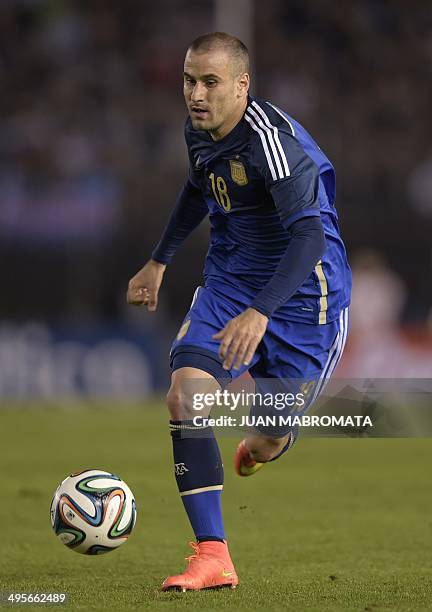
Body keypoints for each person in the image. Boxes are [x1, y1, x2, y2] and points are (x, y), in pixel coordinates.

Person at [127, 32, 351, 591]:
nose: (196, 94)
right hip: (229, 281)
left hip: (305, 300)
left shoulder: (272, 144)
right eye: (188, 80)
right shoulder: (199, 131)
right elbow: (196, 188)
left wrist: (261, 312)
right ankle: (212, 554)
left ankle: (267, 442)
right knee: (186, 393)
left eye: (210, 82)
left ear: (242, 85)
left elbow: (308, 239)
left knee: (270, 436)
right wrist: (159, 261)